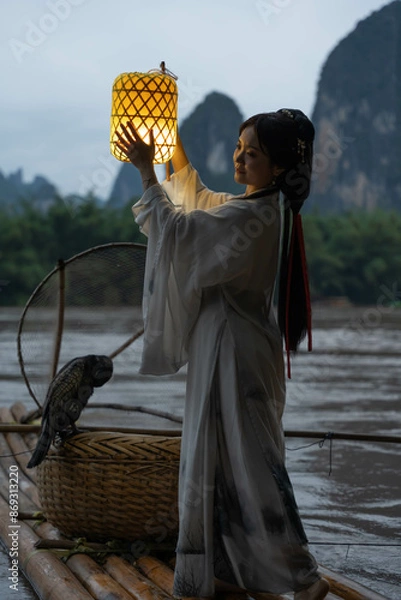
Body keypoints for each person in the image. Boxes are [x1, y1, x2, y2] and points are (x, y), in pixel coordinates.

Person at [116, 109, 330, 600]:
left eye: (251, 153)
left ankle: (303, 577)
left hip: (233, 355)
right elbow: (199, 199)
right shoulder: (259, 208)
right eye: (238, 146)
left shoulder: (253, 216)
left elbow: (180, 233)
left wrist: (148, 171)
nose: (239, 156)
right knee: (220, 463)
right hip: (235, 347)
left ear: (276, 167)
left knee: (250, 463)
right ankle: (226, 574)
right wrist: (170, 142)